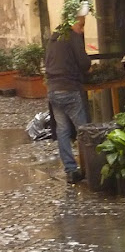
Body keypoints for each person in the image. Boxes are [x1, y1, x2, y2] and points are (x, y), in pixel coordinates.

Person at [45, 12, 92, 184]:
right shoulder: (72, 36)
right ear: (73, 23)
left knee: (63, 130)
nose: (82, 30)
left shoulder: (54, 37)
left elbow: (47, 62)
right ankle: (92, 169)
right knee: (84, 130)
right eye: (81, 25)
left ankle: (71, 170)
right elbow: (84, 62)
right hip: (69, 88)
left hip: (53, 90)